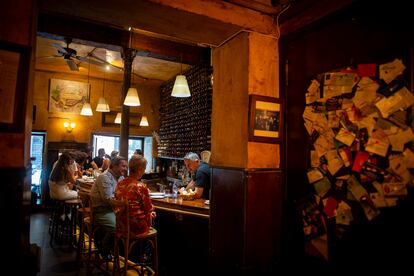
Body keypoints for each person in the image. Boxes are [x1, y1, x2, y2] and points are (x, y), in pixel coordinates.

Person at [90, 155, 128, 260]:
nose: (125, 169)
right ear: (114, 166)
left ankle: (123, 254)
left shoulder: (121, 177)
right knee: (118, 228)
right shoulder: (104, 177)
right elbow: (107, 198)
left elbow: (122, 194)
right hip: (102, 210)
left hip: (114, 210)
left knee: (129, 225)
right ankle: (103, 245)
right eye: (123, 166)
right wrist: (124, 203)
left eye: (126, 166)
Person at [115, 155, 155, 236]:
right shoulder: (140, 186)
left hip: (120, 226)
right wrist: (151, 212)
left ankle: (127, 248)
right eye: (144, 169)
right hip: (136, 228)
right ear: (140, 170)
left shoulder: (120, 184)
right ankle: (144, 247)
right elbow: (148, 208)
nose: (144, 172)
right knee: (153, 218)